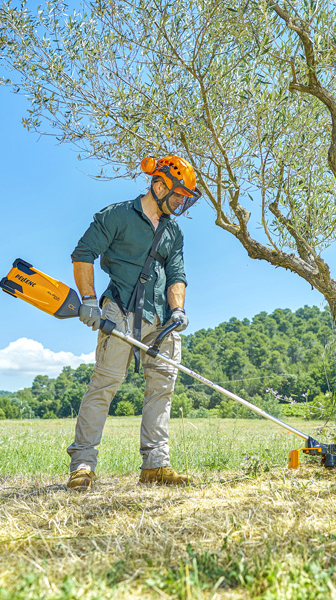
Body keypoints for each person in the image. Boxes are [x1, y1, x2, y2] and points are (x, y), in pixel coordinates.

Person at [66, 156, 201, 490]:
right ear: (159, 185)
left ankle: (155, 464)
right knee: (104, 385)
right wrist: (88, 301)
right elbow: (83, 254)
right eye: (178, 194)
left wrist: (178, 311)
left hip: (161, 318)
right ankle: (82, 464)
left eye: (186, 196)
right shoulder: (117, 216)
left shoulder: (173, 231)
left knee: (162, 389)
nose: (182, 201)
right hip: (120, 309)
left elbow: (176, 274)